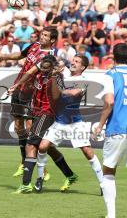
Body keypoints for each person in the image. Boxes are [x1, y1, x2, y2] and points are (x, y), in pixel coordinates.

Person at [0, 27, 75, 182]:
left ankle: (40, 169)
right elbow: (20, 55)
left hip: (32, 94)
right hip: (19, 89)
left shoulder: (50, 56)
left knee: (32, 132)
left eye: (45, 35)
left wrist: (17, 85)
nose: (42, 36)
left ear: (52, 40)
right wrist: (3, 57)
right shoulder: (35, 45)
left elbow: (32, 71)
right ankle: (24, 161)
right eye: (42, 34)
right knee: (19, 127)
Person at [8, 55, 78, 194]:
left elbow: (57, 97)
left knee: (30, 144)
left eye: (47, 68)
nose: (43, 70)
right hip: (36, 112)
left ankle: (26, 184)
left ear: (52, 67)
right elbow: (30, 87)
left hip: (47, 113)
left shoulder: (56, 78)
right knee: (47, 147)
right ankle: (70, 175)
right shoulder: (38, 75)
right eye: (42, 67)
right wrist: (16, 87)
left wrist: (53, 77)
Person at [36, 55, 103, 192]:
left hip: (75, 123)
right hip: (59, 122)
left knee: (88, 152)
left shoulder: (84, 80)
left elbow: (73, 93)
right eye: (73, 60)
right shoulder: (63, 73)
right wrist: (54, 71)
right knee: (42, 147)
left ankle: (103, 183)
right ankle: (39, 178)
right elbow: (54, 62)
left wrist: (58, 85)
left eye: (77, 62)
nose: (73, 62)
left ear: (83, 67)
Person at [93, 43, 127, 218]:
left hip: (118, 127)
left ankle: (111, 215)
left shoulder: (110, 75)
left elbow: (109, 102)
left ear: (112, 56)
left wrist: (100, 125)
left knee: (109, 170)